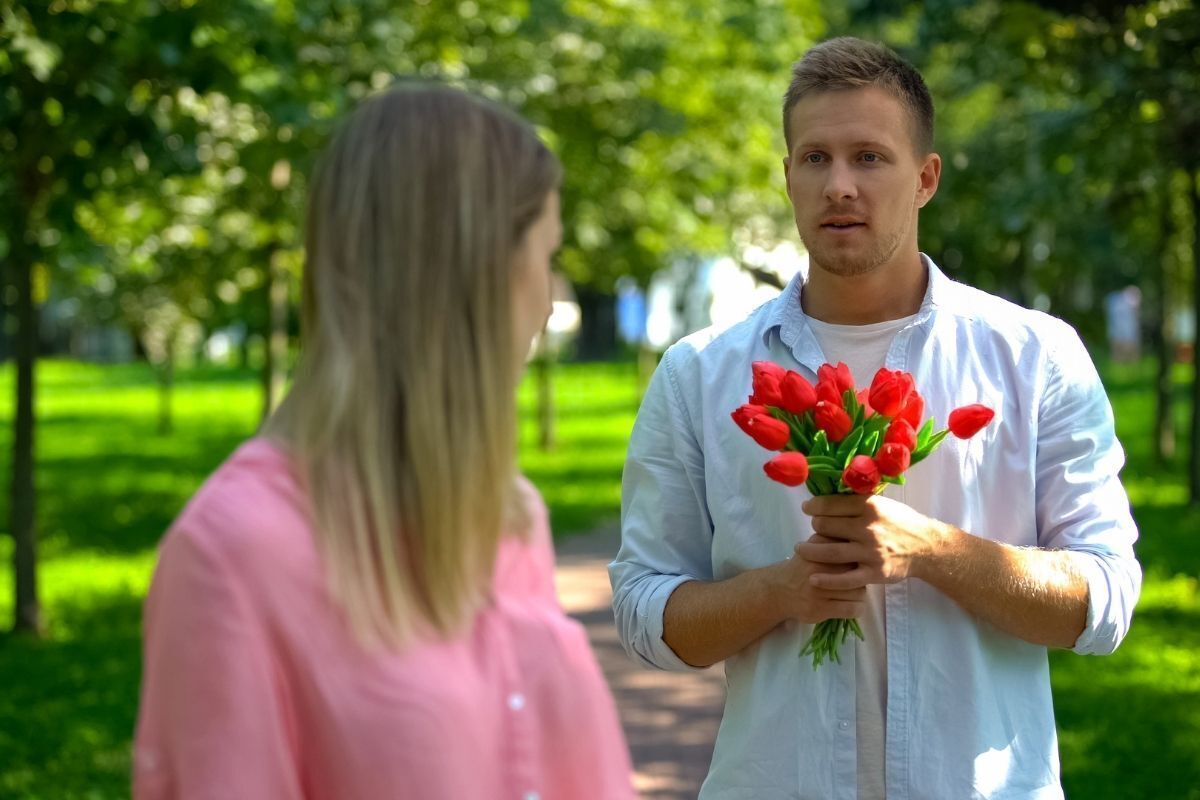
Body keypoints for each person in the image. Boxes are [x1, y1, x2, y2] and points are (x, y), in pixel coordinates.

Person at [611, 37, 1141, 800]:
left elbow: (1106, 600)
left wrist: (935, 551)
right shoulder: (700, 373)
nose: (839, 186)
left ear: (925, 179)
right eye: (815, 158)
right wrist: (783, 590)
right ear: (787, 175)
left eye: (869, 157)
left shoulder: (1034, 357)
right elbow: (641, 608)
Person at [133, 84, 635, 799]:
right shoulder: (234, 558)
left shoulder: (504, 514)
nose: (548, 297)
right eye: (545, 257)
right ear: (475, 273)